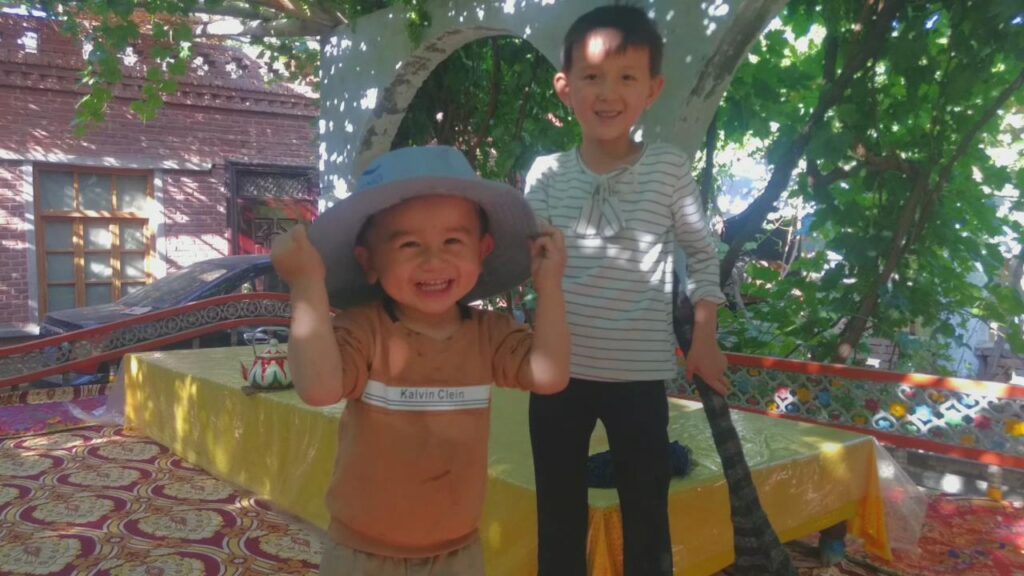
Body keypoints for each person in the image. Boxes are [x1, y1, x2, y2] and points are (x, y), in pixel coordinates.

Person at [271, 145, 570, 576]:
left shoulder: (489, 334)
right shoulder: (364, 330)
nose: (434, 261)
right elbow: (318, 389)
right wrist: (306, 284)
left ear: (483, 250)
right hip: (362, 554)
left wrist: (551, 288)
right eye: (409, 244)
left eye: (453, 241)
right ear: (368, 261)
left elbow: (550, 375)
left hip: (457, 553)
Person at [523, 5, 730, 575]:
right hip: (556, 375)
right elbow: (527, 262)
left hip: (639, 377)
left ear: (651, 89)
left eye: (626, 77)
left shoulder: (667, 169)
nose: (607, 93)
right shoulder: (545, 174)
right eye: (591, 77)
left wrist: (705, 337)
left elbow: (701, 252)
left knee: (646, 519)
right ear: (566, 87)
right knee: (558, 517)